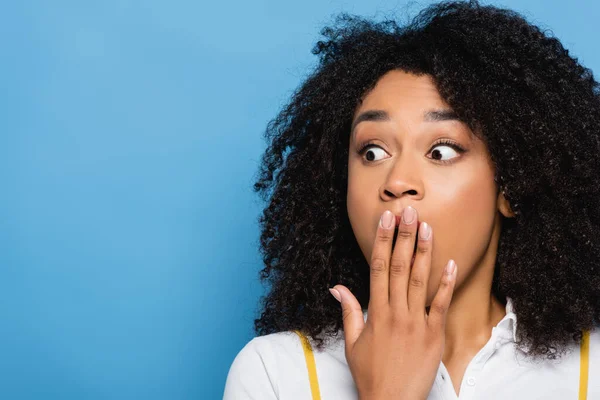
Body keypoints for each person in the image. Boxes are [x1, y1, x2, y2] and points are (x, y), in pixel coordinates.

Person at [223, 1, 600, 398]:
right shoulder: (275, 373)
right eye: (372, 152)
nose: (397, 181)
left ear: (510, 187)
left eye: (441, 150)